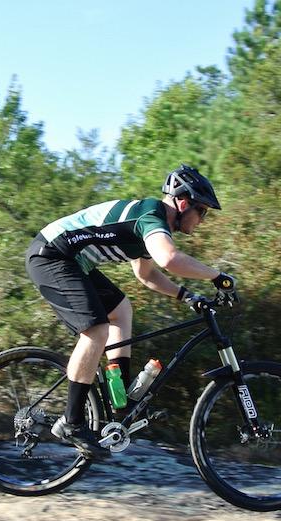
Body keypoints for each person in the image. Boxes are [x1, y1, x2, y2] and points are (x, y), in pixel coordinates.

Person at [25, 164, 238, 461]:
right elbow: (170, 259)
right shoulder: (151, 215)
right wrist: (218, 277)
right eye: (202, 211)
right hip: (51, 255)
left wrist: (187, 296)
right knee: (97, 330)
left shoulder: (154, 227)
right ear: (183, 202)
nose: (202, 220)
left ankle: (120, 399)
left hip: (74, 262)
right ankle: (72, 422)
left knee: (121, 310)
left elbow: (147, 275)